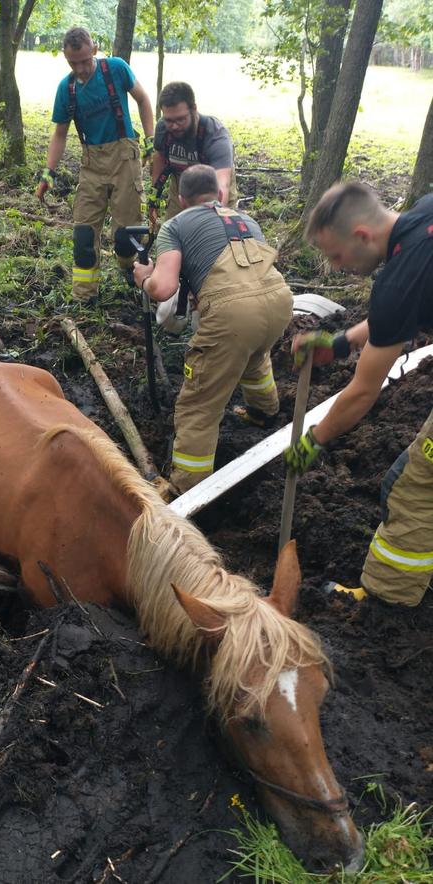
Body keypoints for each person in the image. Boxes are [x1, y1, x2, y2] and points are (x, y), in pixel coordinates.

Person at [285, 181, 433, 606]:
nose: (338, 266)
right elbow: (400, 312)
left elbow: (361, 393)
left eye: (337, 256)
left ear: (363, 237)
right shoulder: (423, 214)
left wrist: (313, 440)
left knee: (411, 486)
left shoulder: (397, 281)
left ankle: (387, 600)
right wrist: (338, 343)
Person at [132, 164, 292, 496]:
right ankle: (264, 411)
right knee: (254, 351)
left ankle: (188, 487)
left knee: (200, 401)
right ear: (219, 195)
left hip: (233, 315)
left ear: (181, 198)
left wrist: (144, 277)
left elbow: (163, 289)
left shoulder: (175, 225)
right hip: (279, 302)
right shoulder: (244, 219)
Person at [35, 27, 154, 301]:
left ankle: (130, 268)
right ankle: (84, 297)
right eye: (73, 63)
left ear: (95, 50)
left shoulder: (116, 69)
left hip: (125, 158)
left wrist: (150, 139)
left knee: (126, 235)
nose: (81, 68)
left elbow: (143, 99)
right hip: (91, 165)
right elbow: (60, 135)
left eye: (85, 61)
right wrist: (47, 174)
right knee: (84, 234)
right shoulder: (66, 89)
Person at [149, 81, 237, 227]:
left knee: (212, 239)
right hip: (181, 191)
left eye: (180, 119)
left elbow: (222, 185)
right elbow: (160, 156)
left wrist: (211, 219)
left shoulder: (215, 134)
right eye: (169, 120)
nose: (174, 126)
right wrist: (154, 197)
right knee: (173, 235)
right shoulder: (163, 128)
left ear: (194, 109)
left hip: (212, 193)